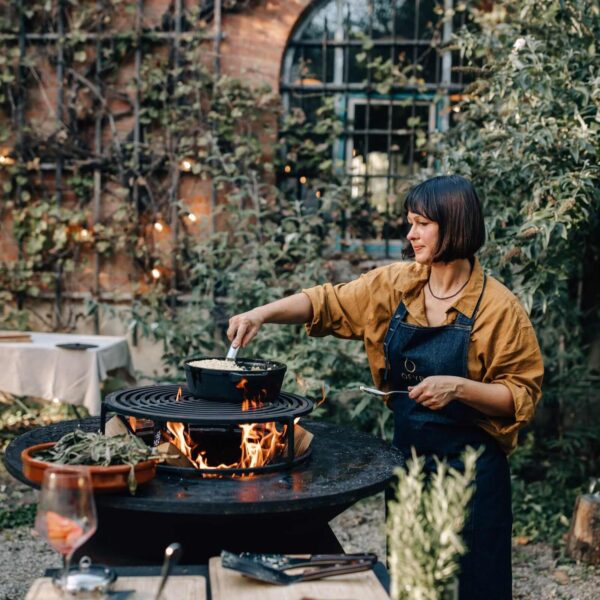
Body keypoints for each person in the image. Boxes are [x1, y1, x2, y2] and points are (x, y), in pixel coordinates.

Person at [227, 174, 543, 600]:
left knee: (476, 585)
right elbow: (327, 301)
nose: (410, 233)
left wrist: (459, 387)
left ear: (455, 225)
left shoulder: (499, 308)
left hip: (473, 475)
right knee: (410, 581)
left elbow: (519, 396)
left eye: (421, 223)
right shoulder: (398, 284)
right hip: (409, 463)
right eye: (409, 222)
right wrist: (260, 314)